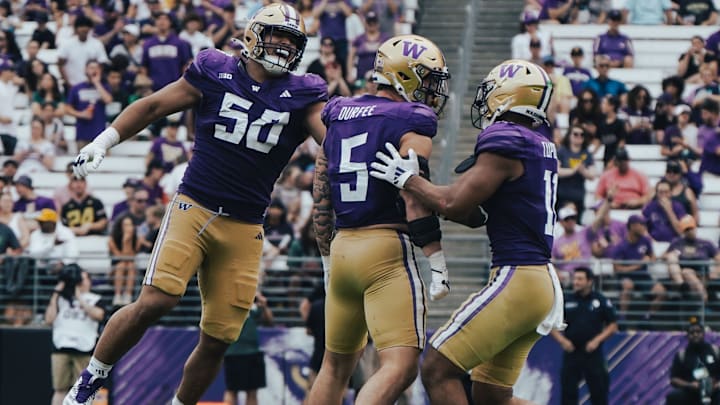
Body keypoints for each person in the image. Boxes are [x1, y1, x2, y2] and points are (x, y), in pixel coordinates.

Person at [64, 4, 328, 405]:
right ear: (255, 34)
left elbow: (335, 144)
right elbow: (153, 105)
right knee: (158, 299)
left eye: (292, 41)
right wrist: (104, 141)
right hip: (195, 206)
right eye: (278, 36)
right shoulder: (214, 70)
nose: (284, 47)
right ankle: (89, 382)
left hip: (245, 225)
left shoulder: (303, 94)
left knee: (220, 336)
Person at [370, 58, 564, 405]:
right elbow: (475, 215)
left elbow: (455, 203)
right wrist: (426, 192)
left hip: (518, 278)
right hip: (538, 282)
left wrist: (409, 180)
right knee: (491, 396)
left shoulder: (507, 139)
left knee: (436, 369)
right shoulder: (537, 143)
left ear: (507, 94)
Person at [307, 34, 451, 405]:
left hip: (342, 248)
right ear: (404, 75)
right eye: (428, 78)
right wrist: (436, 257)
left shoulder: (339, 114)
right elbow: (413, 194)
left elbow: (321, 194)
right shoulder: (411, 119)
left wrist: (326, 257)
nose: (433, 89)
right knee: (400, 365)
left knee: (334, 367)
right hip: (385, 249)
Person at [550, 267, 617, 405]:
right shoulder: (566, 300)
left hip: (592, 353)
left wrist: (597, 340)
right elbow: (551, 325)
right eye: (575, 279)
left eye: (580, 279)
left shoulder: (600, 300)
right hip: (572, 352)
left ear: (589, 281)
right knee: (568, 393)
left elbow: (612, 326)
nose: (576, 282)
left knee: (599, 392)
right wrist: (562, 341)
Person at [45, 267, 106, 405]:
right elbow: (49, 319)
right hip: (61, 347)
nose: (79, 281)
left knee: (84, 389)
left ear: (89, 281)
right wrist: (56, 293)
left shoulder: (95, 299)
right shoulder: (62, 298)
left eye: (83, 278)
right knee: (59, 388)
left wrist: (79, 297)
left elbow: (99, 315)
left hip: (85, 348)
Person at [222, 292, 273, 405]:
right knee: (232, 390)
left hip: (252, 352)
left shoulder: (254, 303)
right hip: (234, 351)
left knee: (252, 391)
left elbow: (269, 321)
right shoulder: (228, 297)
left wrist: (263, 305)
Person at [666, 320, 720, 405]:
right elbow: (674, 379)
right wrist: (690, 385)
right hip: (691, 392)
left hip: (714, 391)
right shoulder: (682, 355)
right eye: (692, 332)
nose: (695, 334)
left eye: (698, 332)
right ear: (688, 335)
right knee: (673, 397)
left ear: (703, 333)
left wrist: (717, 385)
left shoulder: (715, 351)